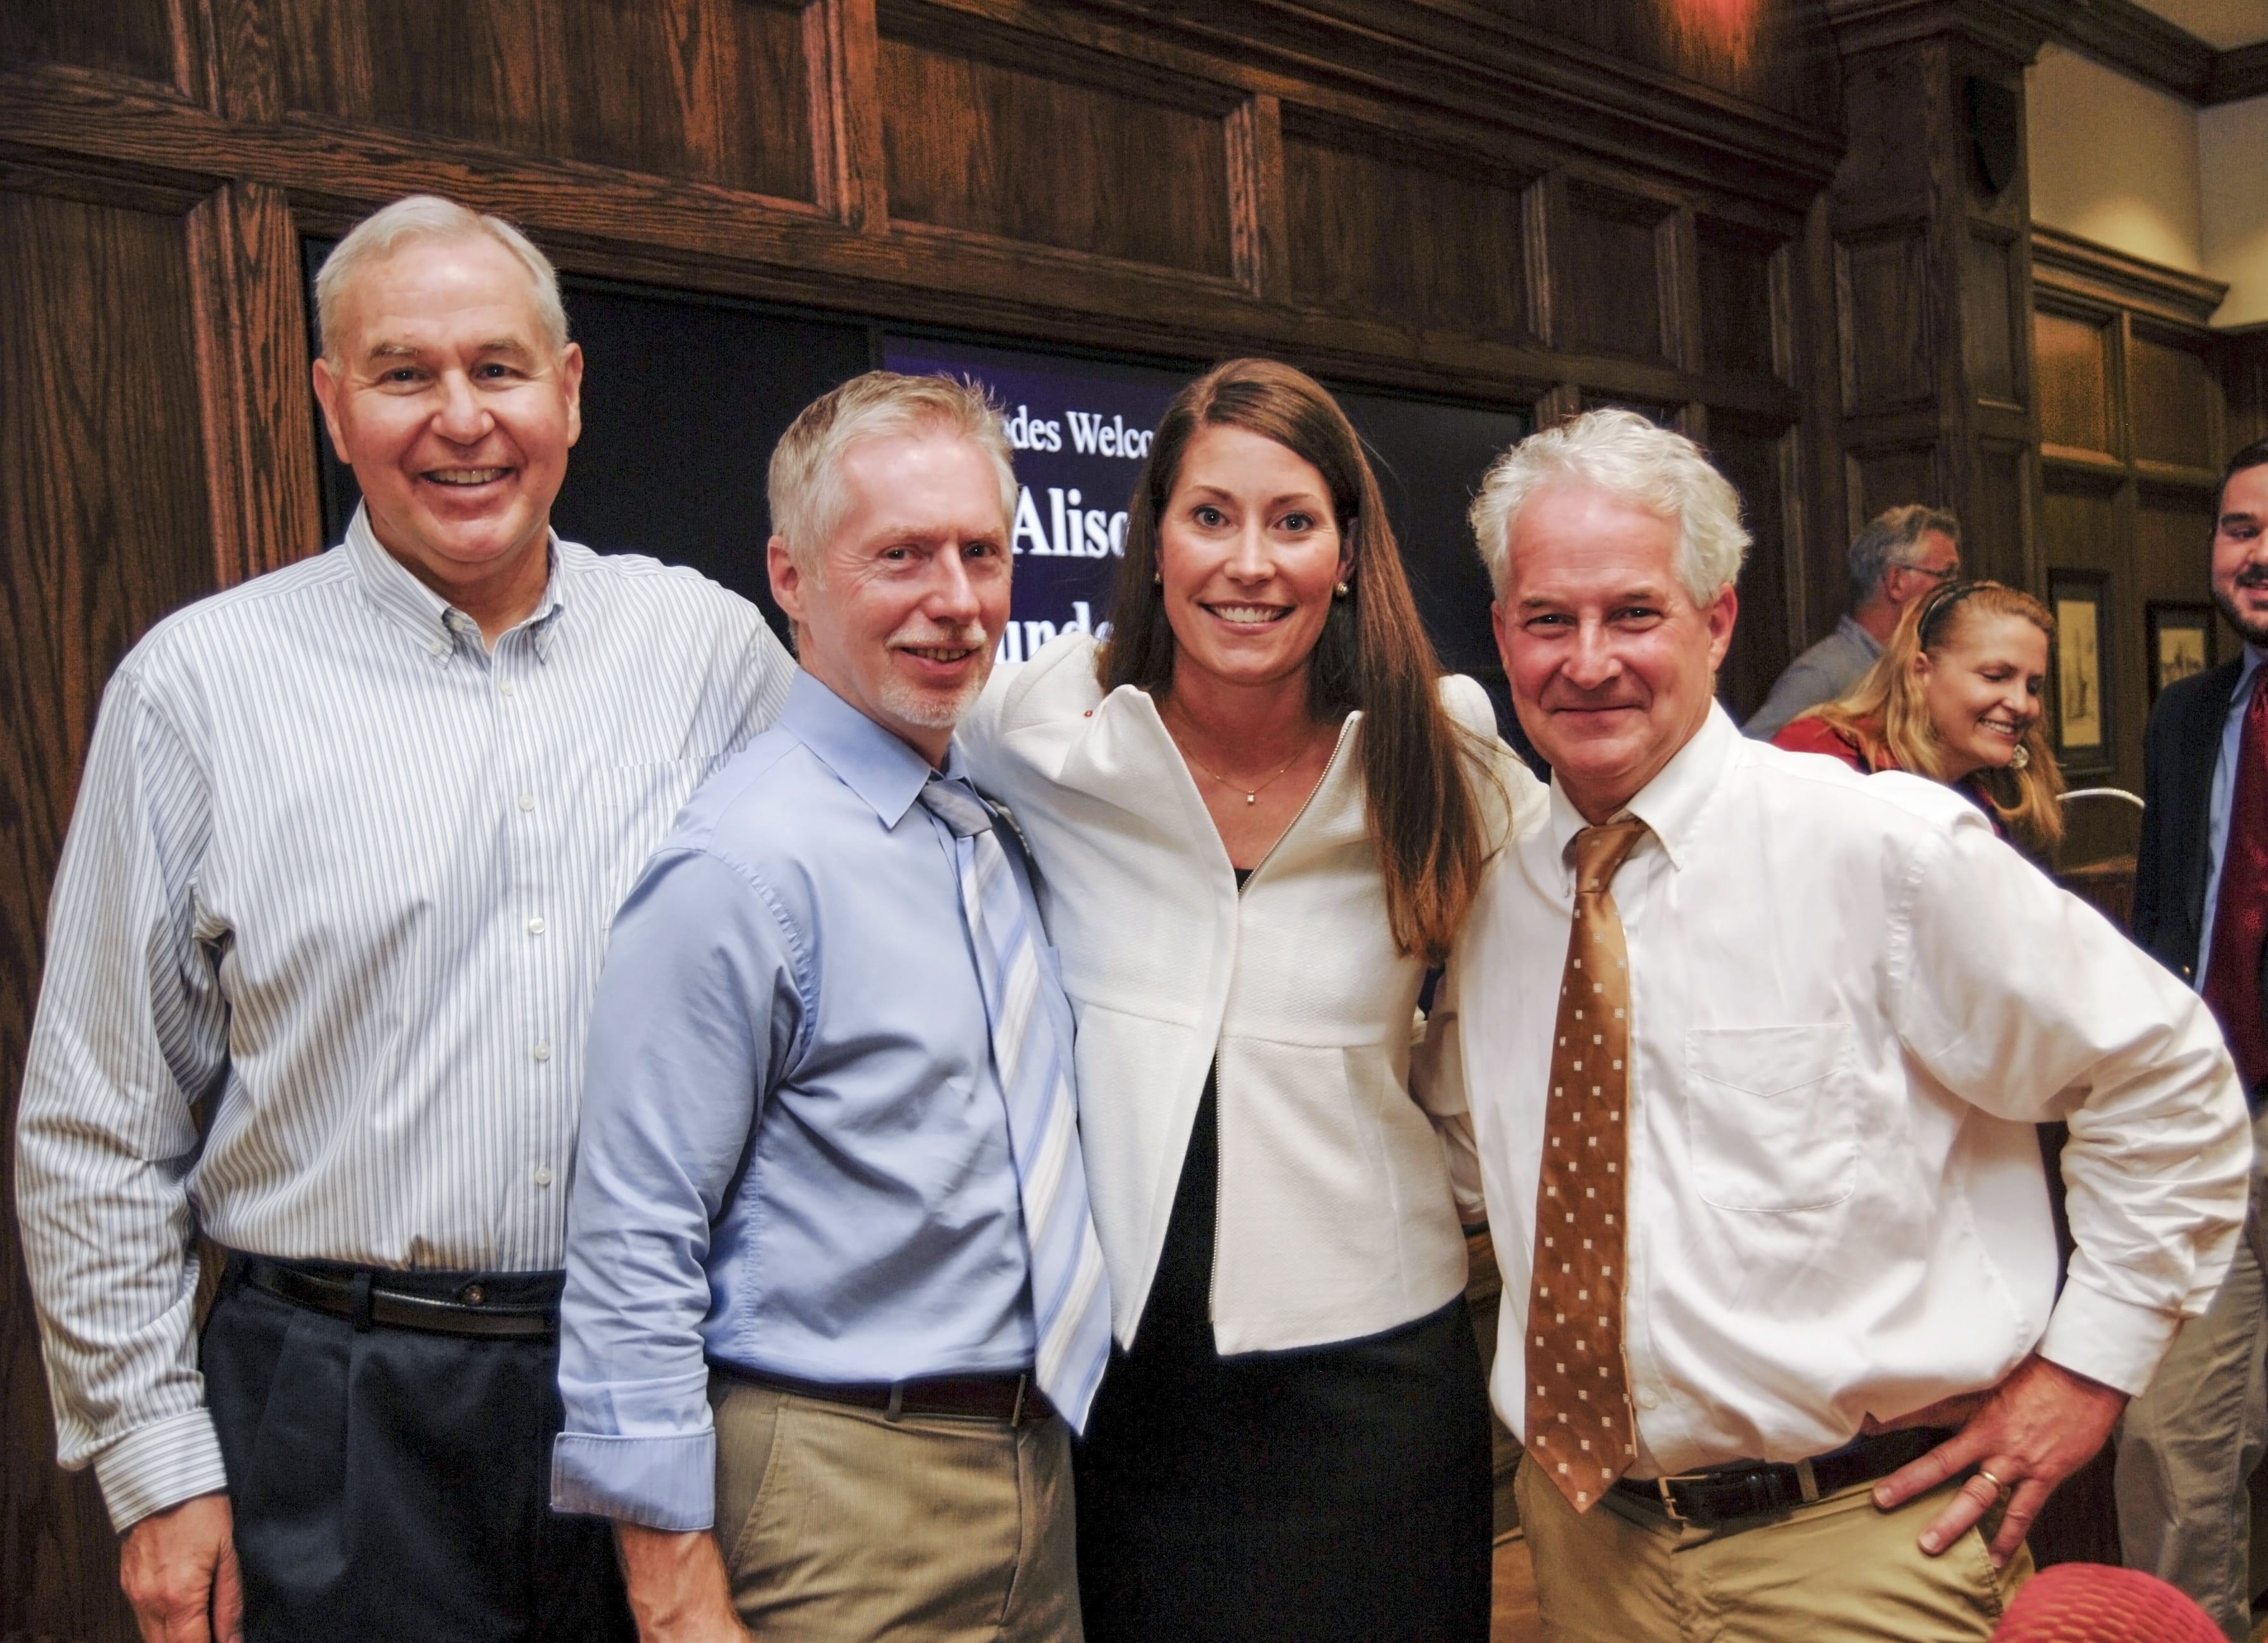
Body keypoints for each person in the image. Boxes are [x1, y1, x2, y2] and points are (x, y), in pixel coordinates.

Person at [13, 195, 794, 1642]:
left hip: (661, 1390)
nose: (461, 420)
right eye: (403, 373)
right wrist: (154, 1465)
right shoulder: (198, 690)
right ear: (330, 403)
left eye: (498, 369)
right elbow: (99, 1121)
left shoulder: (708, 656)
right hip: (334, 1411)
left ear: (567, 389)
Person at [1428, 407, 2250, 1642]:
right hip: (1588, 1551)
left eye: (1634, 613)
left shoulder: (1880, 849)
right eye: (1548, 618)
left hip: (1861, 1552)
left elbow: (2168, 1073)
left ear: (1716, 621)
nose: (1585, 659)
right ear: (1502, 634)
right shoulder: (1501, 900)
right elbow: (1459, 1164)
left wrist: (2086, 1370)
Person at [960, 357, 1545, 1642]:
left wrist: (1450, 1178)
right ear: (1156, 540)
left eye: (1293, 522)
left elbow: (1535, 988)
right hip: (1119, 1385)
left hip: (1375, 1381)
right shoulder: (1046, 729)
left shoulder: (1437, 755)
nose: (1249, 562)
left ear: (1344, 554)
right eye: (1210, 516)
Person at [550, 371, 1109, 1643]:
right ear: (791, 579)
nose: (955, 601)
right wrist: (673, 1585)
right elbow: (635, 1233)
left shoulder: (984, 818)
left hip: (1030, 1470)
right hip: (838, 1493)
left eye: (980, 552)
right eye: (900, 556)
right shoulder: (744, 866)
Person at [2117, 437, 2268, 1641]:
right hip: (2207, 1119)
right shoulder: (2184, 713)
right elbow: (2165, 911)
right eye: (2235, 528)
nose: (2255, 552)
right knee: (2172, 1438)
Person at [1770, 579, 2065, 853]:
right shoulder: (1822, 753)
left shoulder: (1981, 795)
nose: (2022, 704)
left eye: (2033, 687)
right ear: (1921, 672)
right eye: (1995, 676)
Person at [1744, 503, 1961, 739]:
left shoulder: (1917, 666)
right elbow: (1751, 761)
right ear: (1897, 581)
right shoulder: (1823, 675)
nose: (1954, 592)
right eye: (1946, 575)